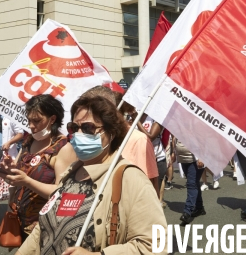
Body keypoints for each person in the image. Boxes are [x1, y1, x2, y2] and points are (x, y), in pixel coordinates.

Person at [17, 95, 167, 254]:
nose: (78, 134)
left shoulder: (130, 178)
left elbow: (156, 245)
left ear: (111, 133)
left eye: (88, 128)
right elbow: (45, 226)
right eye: (74, 128)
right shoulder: (72, 173)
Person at [0, 94, 76, 240]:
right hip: (20, 224)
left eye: (37, 121)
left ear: (52, 119)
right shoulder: (29, 141)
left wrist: (27, 181)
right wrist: (10, 170)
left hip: (44, 230)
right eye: (29, 120)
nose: (31, 126)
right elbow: (19, 176)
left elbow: (62, 192)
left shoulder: (63, 148)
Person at [175, 140, 206, 225]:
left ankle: (187, 212)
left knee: (191, 184)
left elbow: (203, 139)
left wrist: (201, 157)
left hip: (195, 159)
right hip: (184, 159)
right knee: (194, 183)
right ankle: (199, 208)